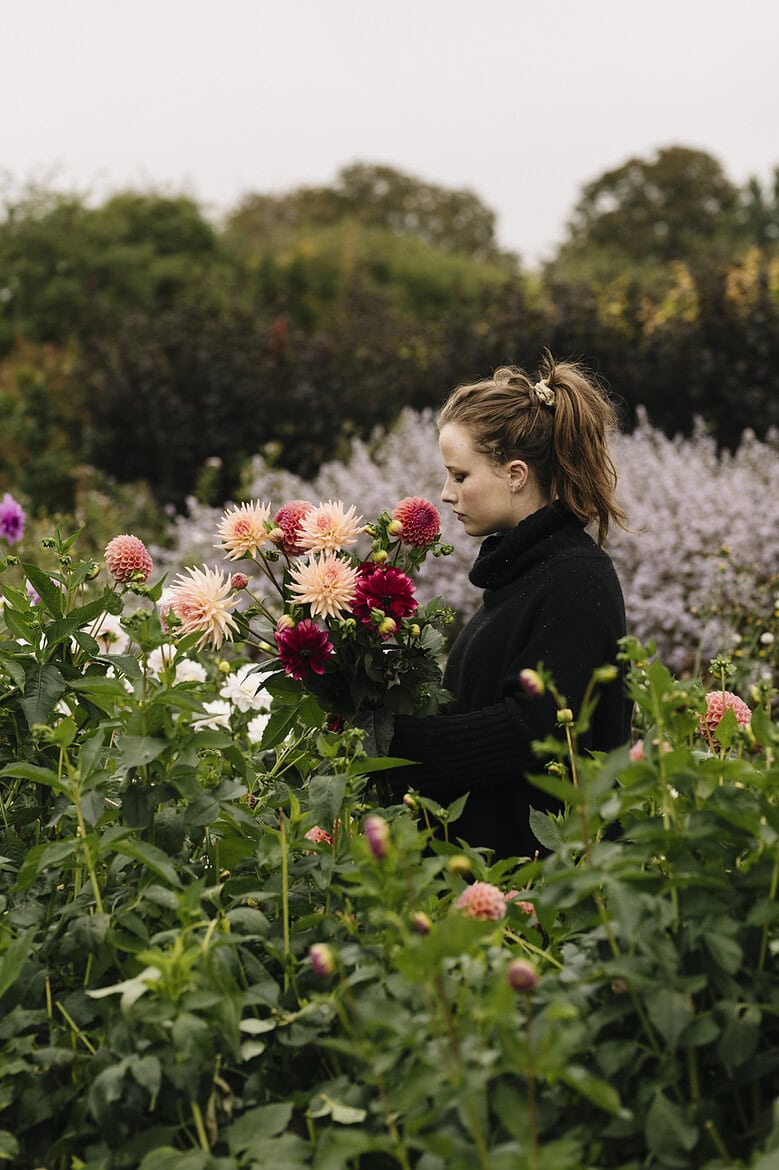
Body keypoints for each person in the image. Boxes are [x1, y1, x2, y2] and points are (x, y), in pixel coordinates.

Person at [387, 353, 631, 860]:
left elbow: (537, 729)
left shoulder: (575, 579)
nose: (445, 493)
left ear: (516, 473)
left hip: (534, 886)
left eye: (459, 475)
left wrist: (395, 747)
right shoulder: (524, 573)